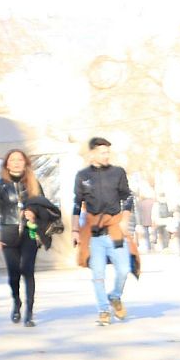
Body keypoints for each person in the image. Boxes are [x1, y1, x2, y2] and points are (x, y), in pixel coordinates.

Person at [72, 136, 136, 326]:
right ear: (92, 153)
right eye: (102, 152)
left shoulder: (118, 173)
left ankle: (115, 296)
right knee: (97, 274)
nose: (106, 155)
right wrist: (75, 230)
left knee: (124, 269)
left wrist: (125, 219)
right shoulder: (82, 176)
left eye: (108, 152)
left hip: (115, 230)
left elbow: (129, 197)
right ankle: (103, 310)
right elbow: (77, 203)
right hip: (94, 235)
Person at [0, 149, 43, 327]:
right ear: (7, 164)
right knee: (13, 274)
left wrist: (34, 214)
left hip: (30, 232)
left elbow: (46, 208)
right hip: (8, 232)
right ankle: (16, 302)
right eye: (13, 160)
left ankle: (29, 312)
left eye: (20, 159)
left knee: (27, 269)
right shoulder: (0, 185)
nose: (17, 162)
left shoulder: (34, 184)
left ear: (25, 162)